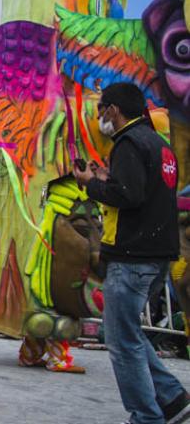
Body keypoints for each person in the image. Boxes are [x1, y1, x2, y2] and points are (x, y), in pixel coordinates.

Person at [73, 82, 190, 424]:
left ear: (112, 109)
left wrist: (90, 183)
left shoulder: (128, 142)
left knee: (122, 342)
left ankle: (146, 416)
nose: (99, 119)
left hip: (133, 257)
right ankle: (172, 398)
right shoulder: (159, 145)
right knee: (127, 334)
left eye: (100, 111)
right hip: (157, 255)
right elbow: (142, 190)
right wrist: (108, 180)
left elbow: (129, 195)